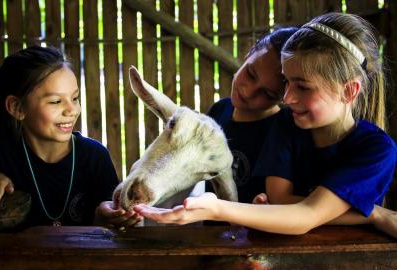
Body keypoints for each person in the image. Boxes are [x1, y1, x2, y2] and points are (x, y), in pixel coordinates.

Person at [132, 13, 397, 238]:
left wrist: (218, 208)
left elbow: (305, 215)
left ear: (349, 91)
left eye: (302, 87)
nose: (288, 98)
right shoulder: (287, 125)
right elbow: (282, 200)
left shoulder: (376, 150)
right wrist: (370, 213)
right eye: (287, 83)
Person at [0, 46, 132, 228]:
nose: (72, 110)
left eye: (74, 98)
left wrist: (107, 218)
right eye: (56, 101)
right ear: (17, 108)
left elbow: (113, 227)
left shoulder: (95, 157)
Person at [206, 27, 298, 203]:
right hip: (209, 229)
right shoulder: (218, 110)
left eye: (268, 94)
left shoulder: (283, 130)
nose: (248, 93)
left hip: (253, 230)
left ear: (285, 97)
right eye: (250, 74)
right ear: (249, 54)